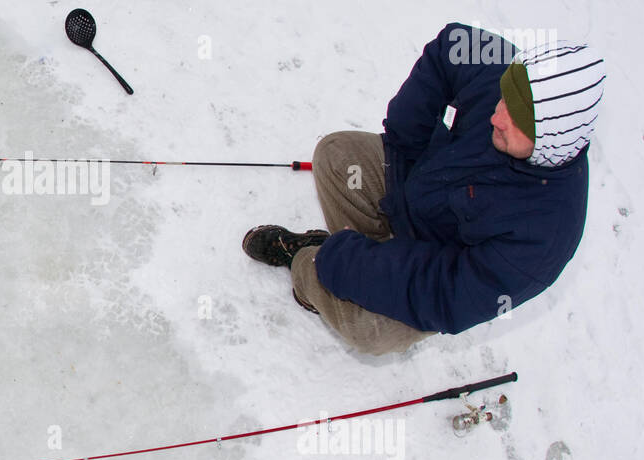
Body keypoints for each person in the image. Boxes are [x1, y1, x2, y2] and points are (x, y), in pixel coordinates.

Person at [243, 22, 606, 356]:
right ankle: (361, 254)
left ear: (551, 140)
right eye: (502, 100)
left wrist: (342, 262)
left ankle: (311, 264)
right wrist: (406, 143)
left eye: (516, 121)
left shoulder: (544, 237)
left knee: (367, 328)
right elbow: (450, 46)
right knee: (337, 156)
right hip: (421, 187)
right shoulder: (509, 75)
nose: (497, 117)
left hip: (440, 261)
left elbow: (444, 293)